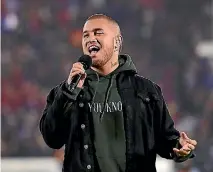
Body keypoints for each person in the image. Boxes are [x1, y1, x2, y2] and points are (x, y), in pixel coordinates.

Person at [39, 14, 197, 172]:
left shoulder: (146, 91)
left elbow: (165, 141)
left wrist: (180, 148)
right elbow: (52, 139)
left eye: (98, 33)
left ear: (117, 42)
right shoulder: (65, 91)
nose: (90, 38)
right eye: (85, 35)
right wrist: (68, 94)